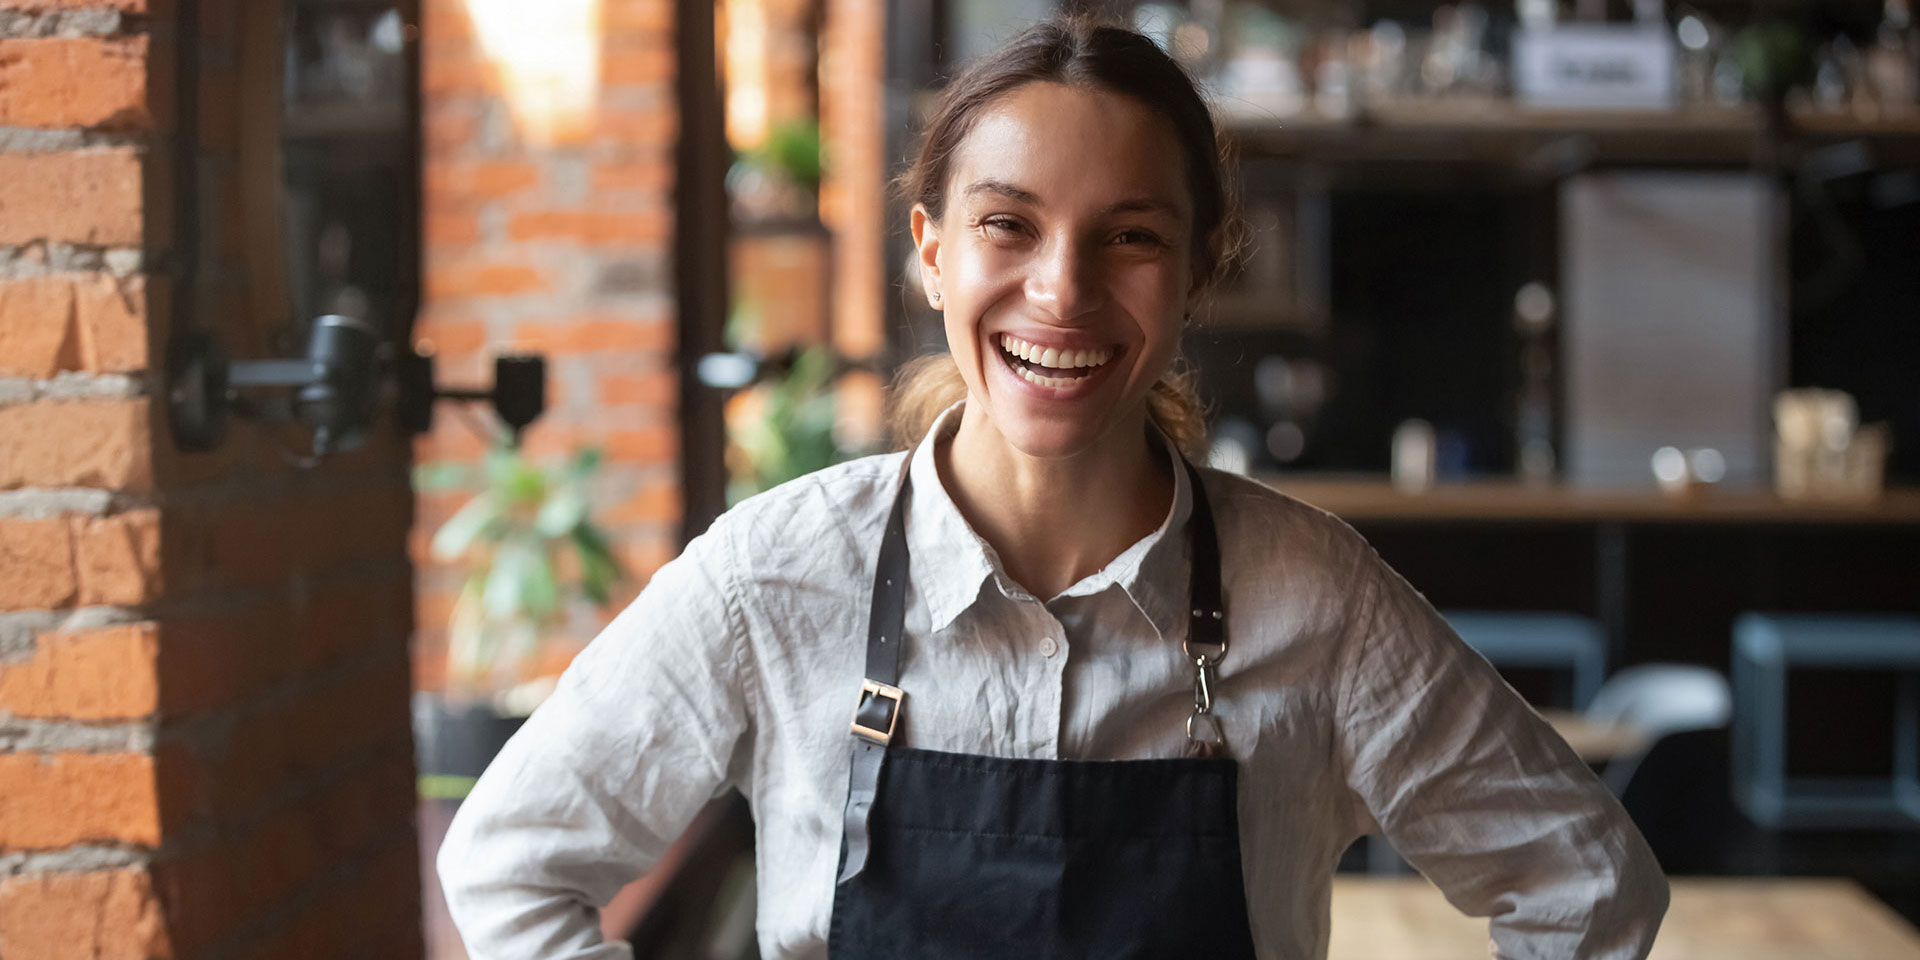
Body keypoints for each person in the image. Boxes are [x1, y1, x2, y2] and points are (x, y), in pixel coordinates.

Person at [438, 15, 1669, 960]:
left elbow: (1584, 882)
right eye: (1008, 225)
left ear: (1198, 271)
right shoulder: (776, 576)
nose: (1063, 292)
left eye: (1129, 235)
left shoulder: (1317, 601)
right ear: (931, 252)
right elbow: (510, 865)